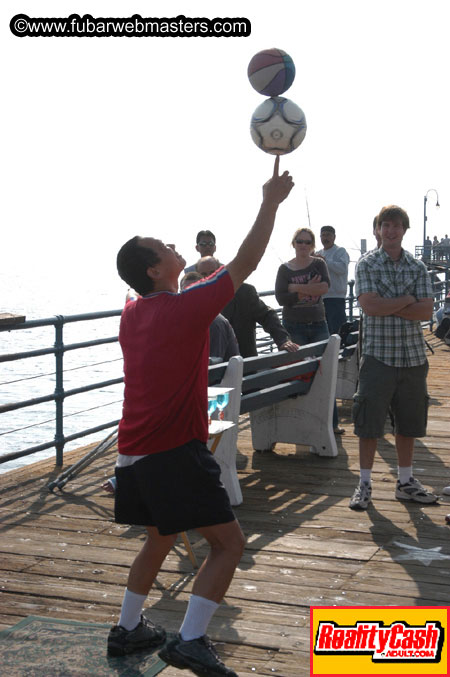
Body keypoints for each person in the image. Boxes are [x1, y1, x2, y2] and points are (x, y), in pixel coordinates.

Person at [107, 156, 294, 676]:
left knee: (159, 537)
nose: (173, 245)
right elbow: (246, 263)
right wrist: (269, 203)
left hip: (134, 452)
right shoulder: (182, 309)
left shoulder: (132, 312)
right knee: (228, 544)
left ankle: (127, 629)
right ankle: (190, 640)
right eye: (163, 247)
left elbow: (199, 282)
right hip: (172, 451)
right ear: (152, 269)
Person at [349, 204, 437, 510]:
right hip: (378, 356)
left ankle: (405, 481)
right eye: (385, 225)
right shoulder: (366, 264)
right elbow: (369, 307)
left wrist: (388, 303)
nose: (391, 230)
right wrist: (407, 301)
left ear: (404, 230)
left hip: (413, 357)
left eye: (397, 225)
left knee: (409, 424)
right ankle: (363, 483)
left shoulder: (418, 267)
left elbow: (426, 312)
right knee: (368, 423)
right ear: (377, 230)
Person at [275, 227, 343, 433]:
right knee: (297, 374)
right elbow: (280, 298)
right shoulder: (284, 269)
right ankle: (300, 423)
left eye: (307, 242)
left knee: (325, 372)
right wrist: (306, 291)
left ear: (312, 245)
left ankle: (331, 424)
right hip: (293, 326)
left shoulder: (319, 264)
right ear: (293, 243)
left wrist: (295, 288)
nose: (303, 245)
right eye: (299, 241)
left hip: (318, 324)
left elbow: (324, 288)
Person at [195, 256, 298, 358]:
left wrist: (283, 340)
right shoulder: (193, 300)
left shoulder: (244, 292)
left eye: (213, 273)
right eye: (203, 274)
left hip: (243, 363)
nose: (208, 278)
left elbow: (267, 316)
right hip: (206, 366)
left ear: (222, 273)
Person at [180, 270, 240, 362]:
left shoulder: (214, 322)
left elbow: (214, 363)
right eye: (186, 291)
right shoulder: (190, 320)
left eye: (195, 291)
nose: (190, 296)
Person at [316, 225, 350, 335]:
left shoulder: (340, 251)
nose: (325, 238)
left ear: (334, 237)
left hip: (336, 298)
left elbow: (342, 268)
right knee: (325, 331)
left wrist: (324, 261)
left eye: (328, 235)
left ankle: (338, 351)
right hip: (321, 298)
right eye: (323, 235)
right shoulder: (318, 253)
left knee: (337, 331)